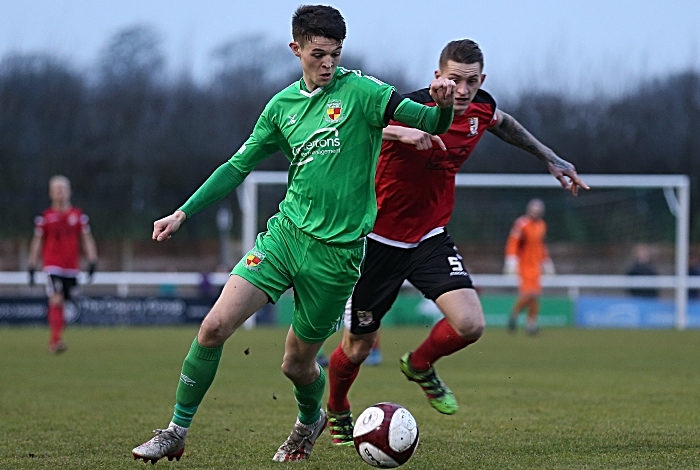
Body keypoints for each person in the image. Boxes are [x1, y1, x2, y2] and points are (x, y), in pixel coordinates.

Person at [131, 5, 457, 464]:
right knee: (214, 327)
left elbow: (429, 123)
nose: (328, 64)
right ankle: (175, 431)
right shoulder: (280, 107)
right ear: (296, 48)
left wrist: (442, 106)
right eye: (318, 54)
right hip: (284, 238)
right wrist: (183, 212)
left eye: (335, 55)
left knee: (296, 364)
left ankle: (309, 421)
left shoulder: (363, 92)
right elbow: (236, 167)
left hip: (337, 257)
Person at [325, 39, 588, 446]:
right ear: (436, 77)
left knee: (471, 324)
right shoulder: (408, 107)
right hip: (376, 239)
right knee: (357, 347)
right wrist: (403, 135)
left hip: (430, 236)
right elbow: (359, 123)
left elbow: (505, 123)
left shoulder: (480, 109)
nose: (461, 90)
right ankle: (338, 407)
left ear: (481, 80)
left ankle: (419, 363)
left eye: (470, 81)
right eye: (453, 80)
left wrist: (550, 157)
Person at [27, 175, 98, 353]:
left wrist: (92, 260)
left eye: (62, 189)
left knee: (64, 302)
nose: (60, 192)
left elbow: (86, 239)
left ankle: (57, 337)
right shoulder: (45, 217)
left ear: (69, 192)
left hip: (71, 267)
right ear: (51, 193)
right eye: (56, 189)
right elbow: (37, 242)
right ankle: (55, 341)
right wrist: (31, 264)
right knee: (56, 298)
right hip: (52, 265)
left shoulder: (78, 216)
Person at [504, 198, 555, 334]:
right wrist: (511, 260)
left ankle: (530, 324)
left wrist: (546, 261)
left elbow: (541, 245)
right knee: (528, 294)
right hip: (524, 264)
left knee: (535, 295)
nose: (536, 213)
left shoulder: (542, 225)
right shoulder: (521, 224)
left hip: (536, 265)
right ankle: (515, 316)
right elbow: (513, 243)